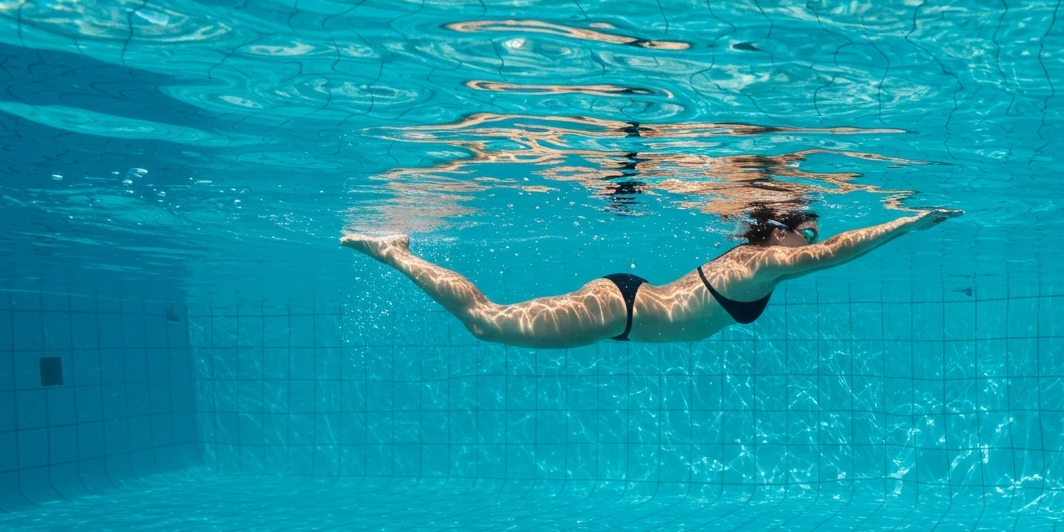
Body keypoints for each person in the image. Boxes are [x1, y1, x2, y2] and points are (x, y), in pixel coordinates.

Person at [341, 206, 960, 348]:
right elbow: (836, 253)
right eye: (805, 224)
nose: (813, 236)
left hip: (628, 301)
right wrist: (904, 224)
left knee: (489, 324)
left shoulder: (757, 259)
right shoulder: (766, 260)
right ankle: (396, 253)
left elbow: (827, 251)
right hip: (624, 310)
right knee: (486, 324)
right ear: (775, 229)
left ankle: (398, 255)